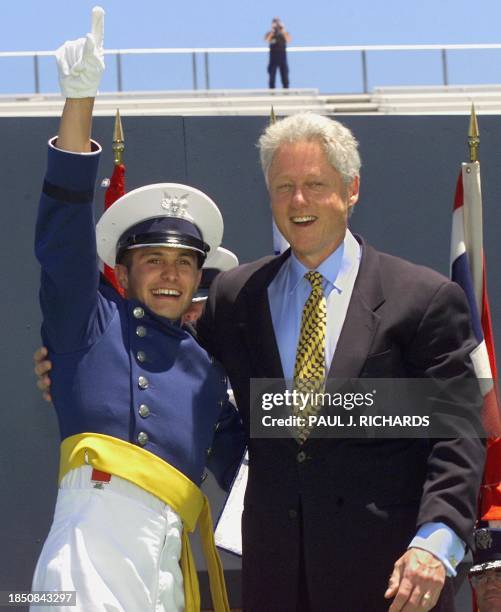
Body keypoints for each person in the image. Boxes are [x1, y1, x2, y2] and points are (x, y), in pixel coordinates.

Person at [195, 113, 486, 611]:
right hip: (275, 582)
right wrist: (78, 369)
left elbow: (456, 436)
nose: (298, 201)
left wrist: (435, 546)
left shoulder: (424, 298)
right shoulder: (233, 297)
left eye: (315, 184)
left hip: (393, 581)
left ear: (352, 189)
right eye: (284, 186)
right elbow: (177, 373)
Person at [31, 8, 244, 612]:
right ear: (121, 274)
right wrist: (79, 103)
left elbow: (263, 466)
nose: (172, 274)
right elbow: (62, 238)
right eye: (152, 260)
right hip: (86, 549)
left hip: (169, 559)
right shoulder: (87, 324)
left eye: (184, 263)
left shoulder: (211, 372)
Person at [264, 17, 291, 89]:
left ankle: (286, 92)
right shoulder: (270, 33)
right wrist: (272, 31)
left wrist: (283, 30)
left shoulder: (284, 33)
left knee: (284, 76)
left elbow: (288, 40)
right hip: (273, 58)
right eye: (275, 22)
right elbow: (267, 40)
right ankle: (271, 92)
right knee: (272, 76)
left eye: (278, 22)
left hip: (282, 57)